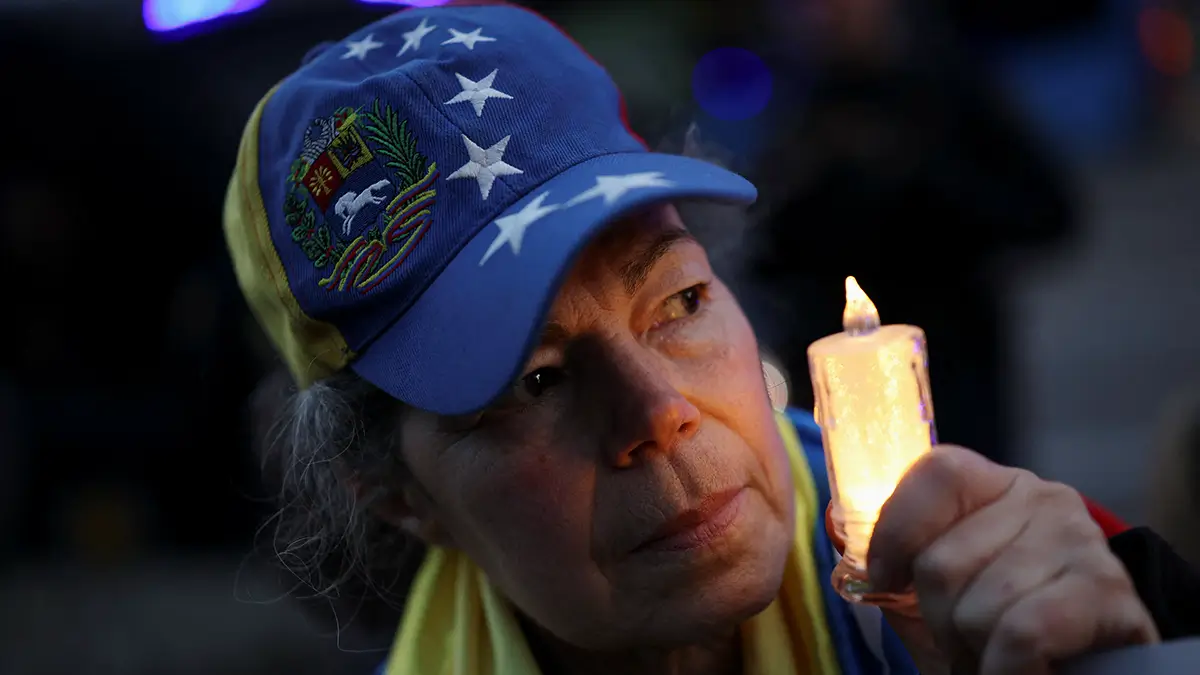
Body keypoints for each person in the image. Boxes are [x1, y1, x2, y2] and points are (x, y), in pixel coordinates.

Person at [223, 2, 1200, 673]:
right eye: (535, 380)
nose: (659, 413)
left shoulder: (1027, 580)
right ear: (395, 496)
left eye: (681, 303)